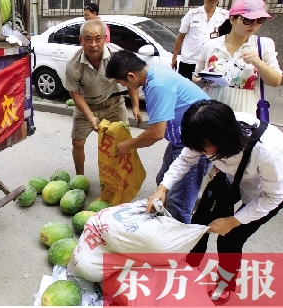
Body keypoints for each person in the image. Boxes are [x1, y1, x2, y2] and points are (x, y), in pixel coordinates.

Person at [146, 100, 283, 304]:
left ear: (221, 140)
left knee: (229, 239)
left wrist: (234, 220)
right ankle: (189, 269)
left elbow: (274, 197)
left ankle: (225, 286)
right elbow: (185, 159)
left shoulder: (267, 151)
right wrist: (162, 188)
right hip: (230, 177)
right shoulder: (206, 131)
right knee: (200, 223)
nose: (200, 153)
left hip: (267, 192)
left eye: (204, 149)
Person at [105, 49, 210, 224]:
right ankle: (166, 222)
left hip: (196, 145)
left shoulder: (157, 85)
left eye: (120, 82)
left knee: (179, 201)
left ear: (131, 76)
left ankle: (179, 241)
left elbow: (156, 133)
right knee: (162, 181)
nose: (123, 86)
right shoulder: (154, 76)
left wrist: (128, 144)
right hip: (180, 141)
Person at [64, 19, 141, 176]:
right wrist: (90, 117)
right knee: (77, 142)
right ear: (81, 41)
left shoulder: (116, 56)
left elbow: (131, 81)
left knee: (120, 142)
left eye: (98, 39)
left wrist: (135, 107)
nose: (93, 44)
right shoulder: (73, 64)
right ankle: (80, 177)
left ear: (105, 39)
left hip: (113, 105)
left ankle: (117, 178)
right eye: (88, 39)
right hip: (86, 105)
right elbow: (75, 93)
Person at [193, 0, 282, 117]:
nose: (254, 25)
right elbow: (196, 76)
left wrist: (258, 63)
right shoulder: (211, 45)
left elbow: (276, 81)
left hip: (244, 116)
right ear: (232, 19)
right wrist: (201, 81)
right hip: (211, 114)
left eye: (260, 20)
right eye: (247, 20)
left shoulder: (262, 45)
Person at [171, 0, 229, 80]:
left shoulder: (225, 15)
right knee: (184, 89)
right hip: (189, 60)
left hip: (210, 62)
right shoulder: (192, 14)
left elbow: (227, 39)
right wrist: (174, 58)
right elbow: (181, 37)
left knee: (204, 90)